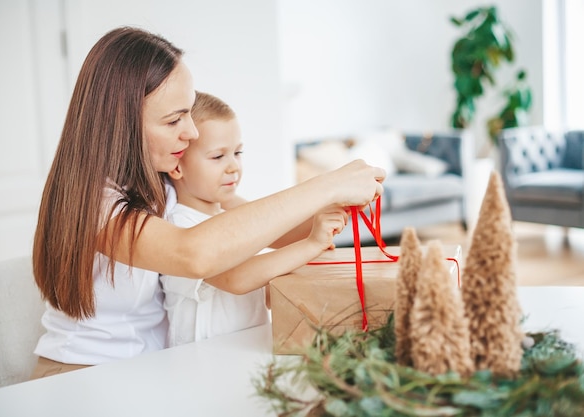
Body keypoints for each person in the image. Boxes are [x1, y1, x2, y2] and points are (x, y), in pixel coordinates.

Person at [30, 26, 385, 379]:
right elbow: (194, 254)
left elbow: (263, 228)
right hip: (81, 375)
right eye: (174, 120)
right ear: (122, 124)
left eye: (187, 113)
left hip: (152, 369)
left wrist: (337, 210)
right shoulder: (98, 203)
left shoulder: (163, 183)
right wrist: (327, 186)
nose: (192, 133)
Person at [161, 91, 348, 346]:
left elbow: (264, 281)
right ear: (177, 165)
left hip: (246, 349)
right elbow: (236, 279)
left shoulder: (235, 218)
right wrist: (311, 244)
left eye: (238, 153)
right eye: (218, 156)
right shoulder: (178, 226)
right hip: (202, 361)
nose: (233, 167)